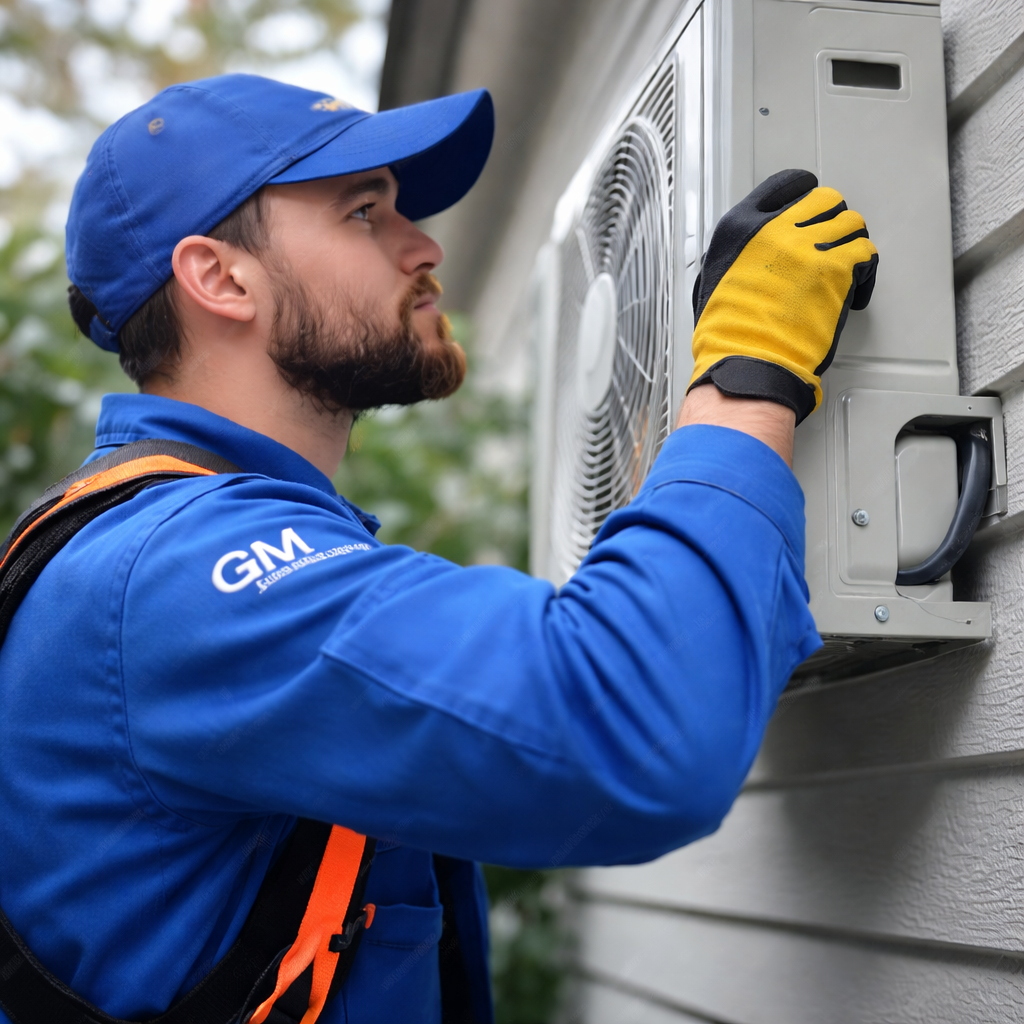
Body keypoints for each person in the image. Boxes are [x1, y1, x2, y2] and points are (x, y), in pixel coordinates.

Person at [0, 74, 877, 1023]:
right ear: (220, 277)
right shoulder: (178, 572)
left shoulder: (167, 551)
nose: (422, 246)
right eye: (364, 212)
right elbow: (635, 726)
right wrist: (749, 375)